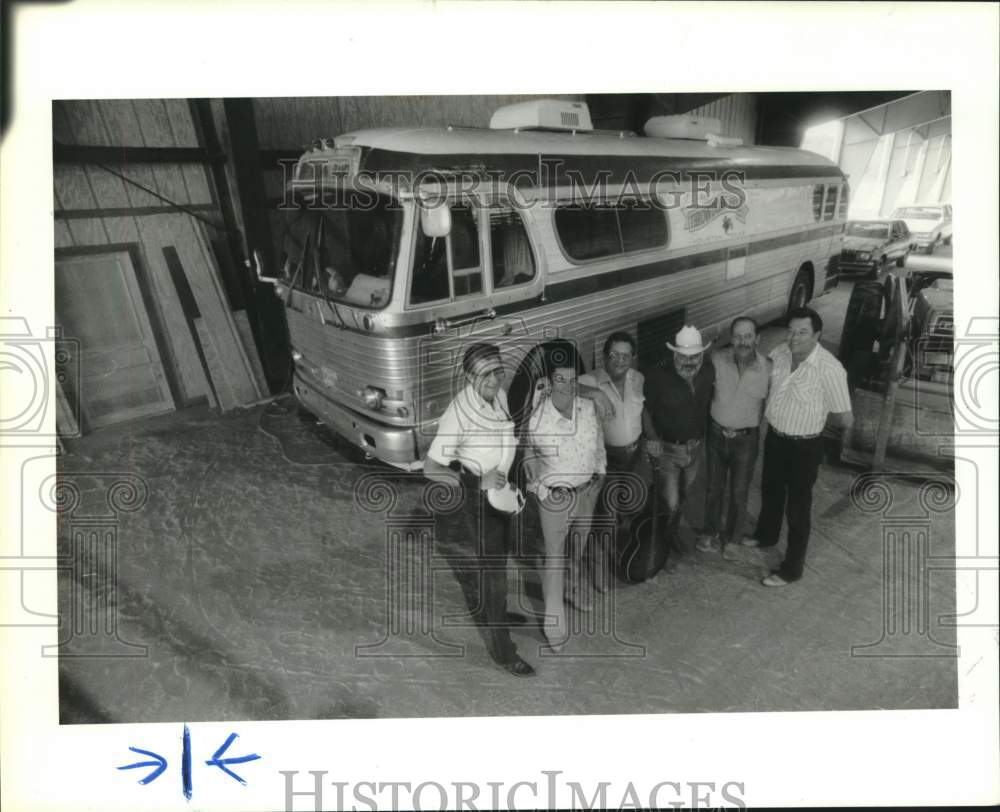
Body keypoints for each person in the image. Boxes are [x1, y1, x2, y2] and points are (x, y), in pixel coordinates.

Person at [423, 343, 535, 676]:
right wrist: (477, 482)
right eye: (485, 373)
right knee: (493, 581)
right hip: (476, 505)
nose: (494, 378)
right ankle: (503, 653)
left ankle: (494, 613)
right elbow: (431, 468)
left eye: (498, 370)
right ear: (469, 376)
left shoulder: (497, 396)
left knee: (499, 567)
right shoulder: (458, 414)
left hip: (500, 496)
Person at [742, 307, 853, 587]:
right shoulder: (779, 353)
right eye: (791, 330)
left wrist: (815, 427)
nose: (794, 337)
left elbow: (845, 417)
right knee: (771, 491)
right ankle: (766, 536)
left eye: (802, 332)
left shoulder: (829, 368)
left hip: (805, 447)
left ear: (817, 334)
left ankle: (792, 568)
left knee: (798, 508)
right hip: (776, 437)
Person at [525, 341, 607, 651]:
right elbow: (527, 452)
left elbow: (597, 442)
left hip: (587, 492)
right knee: (555, 559)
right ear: (547, 380)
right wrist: (541, 488)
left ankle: (572, 589)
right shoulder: (536, 416)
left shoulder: (587, 406)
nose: (568, 386)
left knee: (577, 550)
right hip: (556, 499)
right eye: (560, 379)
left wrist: (600, 472)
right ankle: (553, 626)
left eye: (573, 380)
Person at [697, 317, 770, 560]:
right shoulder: (717, 359)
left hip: (746, 441)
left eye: (748, 336)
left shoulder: (769, 367)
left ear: (757, 339)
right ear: (732, 338)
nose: (742, 341)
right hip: (716, 435)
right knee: (713, 488)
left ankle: (732, 539)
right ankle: (709, 531)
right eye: (738, 336)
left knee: (739, 492)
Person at [579, 331, 645, 591]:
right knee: (605, 518)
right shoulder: (591, 379)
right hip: (609, 460)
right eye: (614, 355)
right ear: (604, 357)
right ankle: (598, 569)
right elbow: (556, 385)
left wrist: (650, 438)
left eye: (625, 355)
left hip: (635, 455)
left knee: (626, 509)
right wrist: (595, 394)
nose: (620, 360)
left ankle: (618, 555)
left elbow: (644, 409)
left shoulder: (637, 378)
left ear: (632, 358)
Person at [642, 325, 715, 561]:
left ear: (703, 355)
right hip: (668, 450)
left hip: (696, 447)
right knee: (671, 501)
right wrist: (651, 436)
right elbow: (643, 408)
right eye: (683, 357)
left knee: (684, 494)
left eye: (695, 356)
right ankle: (664, 541)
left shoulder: (709, 370)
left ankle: (668, 530)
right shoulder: (657, 376)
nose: (689, 362)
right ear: (674, 355)